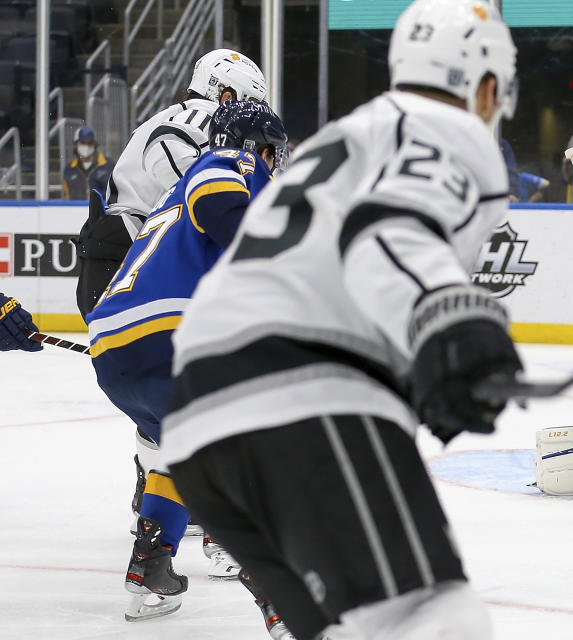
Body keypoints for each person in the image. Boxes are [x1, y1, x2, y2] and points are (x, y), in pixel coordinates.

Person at [162, 1, 520, 638]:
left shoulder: (342, 138)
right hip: (296, 391)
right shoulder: (446, 130)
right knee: (437, 618)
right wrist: (447, 321)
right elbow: (388, 227)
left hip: (199, 420)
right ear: (485, 82)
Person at [84, 100, 290, 633]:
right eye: (271, 149)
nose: (274, 160)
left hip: (115, 348)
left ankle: (150, 568)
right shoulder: (228, 163)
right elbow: (230, 218)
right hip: (173, 334)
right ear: (255, 144)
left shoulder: (168, 199)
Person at [74, 48, 268, 319]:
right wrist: (215, 205)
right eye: (250, 104)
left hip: (116, 253)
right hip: (127, 256)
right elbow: (165, 146)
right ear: (225, 96)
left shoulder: (178, 113)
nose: (251, 115)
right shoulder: (204, 114)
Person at [61, 127, 114, 200]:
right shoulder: (69, 169)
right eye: (83, 143)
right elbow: (67, 196)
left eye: (90, 143)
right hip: (75, 210)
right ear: (76, 144)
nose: (86, 146)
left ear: (95, 145)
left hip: (101, 210)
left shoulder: (109, 166)